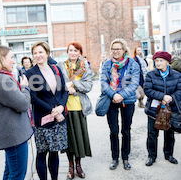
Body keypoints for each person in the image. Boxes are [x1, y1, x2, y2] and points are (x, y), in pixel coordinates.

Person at [0, 45, 33, 179]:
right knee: (17, 175)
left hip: (11, 135)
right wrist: (25, 87)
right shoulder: (2, 80)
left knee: (10, 172)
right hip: (14, 136)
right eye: (12, 58)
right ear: (1, 58)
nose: (14, 61)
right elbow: (23, 104)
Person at [25, 41, 68, 180]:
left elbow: (64, 91)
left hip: (59, 117)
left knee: (54, 152)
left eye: (40, 52)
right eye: (35, 53)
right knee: (42, 153)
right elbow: (33, 98)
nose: (38, 55)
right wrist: (53, 111)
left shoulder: (56, 69)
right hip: (42, 119)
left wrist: (61, 107)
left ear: (47, 53)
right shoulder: (30, 73)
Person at [100, 38, 139, 170]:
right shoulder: (107, 64)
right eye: (113, 49)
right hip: (111, 101)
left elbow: (134, 83)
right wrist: (114, 94)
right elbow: (104, 82)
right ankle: (115, 158)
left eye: (118, 49)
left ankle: (125, 158)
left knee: (126, 131)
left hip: (127, 101)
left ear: (124, 50)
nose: (116, 51)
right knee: (114, 131)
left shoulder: (132, 64)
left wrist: (121, 95)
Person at [57, 42, 93, 179]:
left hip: (79, 107)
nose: (73, 52)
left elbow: (88, 85)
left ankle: (79, 165)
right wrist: (66, 88)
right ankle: (70, 165)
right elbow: (58, 84)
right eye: (70, 50)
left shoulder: (85, 67)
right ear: (67, 52)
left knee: (79, 138)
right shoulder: (61, 66)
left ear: (80, 52)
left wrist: (73, 84)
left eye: (76, 50)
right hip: (65, 107)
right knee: (69, 139)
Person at [143, 51, 181, 167]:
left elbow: (179, 90)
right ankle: (151, 156)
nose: (158, 63)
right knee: (152, 134)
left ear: (167, 62)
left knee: (169, 133)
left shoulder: (176, 75)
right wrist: (162, 96)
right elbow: (147, 89)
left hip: (171, 108)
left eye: (161, 61)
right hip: (154, 109)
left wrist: (171, 98)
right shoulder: (151, 74)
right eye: (156, 61)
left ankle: (168, 154)